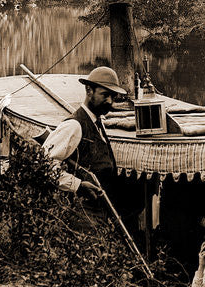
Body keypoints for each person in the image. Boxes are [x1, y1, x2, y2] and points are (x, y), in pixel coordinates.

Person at [42, 65, 140, 219]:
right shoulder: (73, 126)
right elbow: (44, 166)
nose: (110, 101)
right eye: (105, 95)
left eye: (113, 96)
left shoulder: (98, 122)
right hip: (82, 213)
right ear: (89, 91)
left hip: (101, 211)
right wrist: (78, 185)